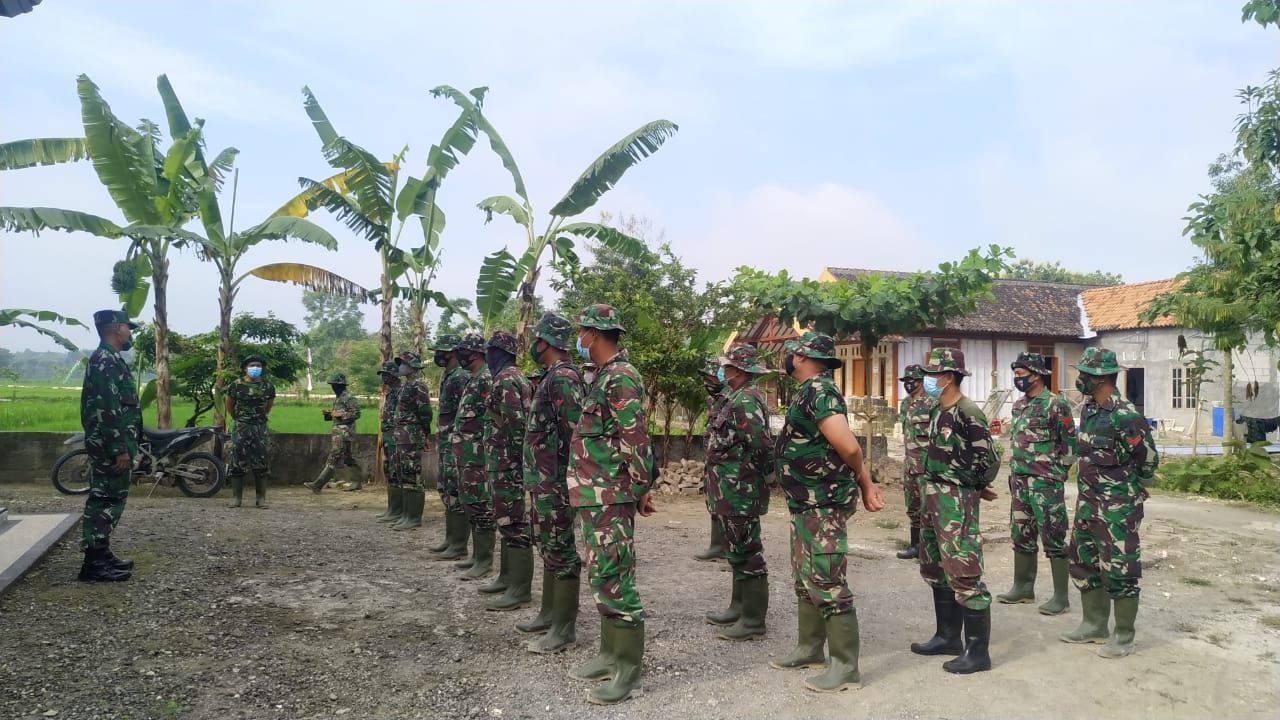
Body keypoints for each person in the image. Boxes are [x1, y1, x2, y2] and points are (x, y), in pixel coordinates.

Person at [769, 331, 884, 693]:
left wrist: (864, 482)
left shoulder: (819, 391)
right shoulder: (810, 391)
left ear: (801, 357)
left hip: (822, 504)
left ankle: (846, 667)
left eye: (790, 354)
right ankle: (809, 648)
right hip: (806, 504)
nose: (787, 360)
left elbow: (848, 446)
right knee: (806, 578)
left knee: (828, 580)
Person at [566, 304, 657, 705]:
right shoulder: (603, 376)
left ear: (595, 335)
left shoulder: (621, 376)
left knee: (616, 578)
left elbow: (634, 437)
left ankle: (627, 671)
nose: (579, 339)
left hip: (611, 496)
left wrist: (641, 488)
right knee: (601, 575)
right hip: (595, 494)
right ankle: (608, 654)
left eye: (582, 332)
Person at [1060, 347, 1158, 659]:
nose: (1080, 379)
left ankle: (1124, 634)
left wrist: (1129, 487)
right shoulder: (1090, 410)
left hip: (1117, 507)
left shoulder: (1126, 415)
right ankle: (1093, 625)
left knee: (1120, 568)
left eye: (1084, 375)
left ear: (1101, 378)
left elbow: (1148, 461)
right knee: (1083, 561)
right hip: (1088, 501)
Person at [910, 347, 999, 675]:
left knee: (963, 567)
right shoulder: (938, 410)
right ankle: (947, 637)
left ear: (948, 377)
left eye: (932, 374)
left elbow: (987, 457)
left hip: (955, 498)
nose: (927, 380)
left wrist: (976, 486)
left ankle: (978, 652)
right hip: (932, 493)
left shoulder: (968, 412)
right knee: (935, 566)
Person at [519, 312, 585, 652]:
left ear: (547, 342)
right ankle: (549, 614)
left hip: (556, 481)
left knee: (560, 550)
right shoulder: (550, 376)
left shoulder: (563, 379)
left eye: (536, 338)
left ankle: (564, 628)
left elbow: (576, 432)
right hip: (544, 479)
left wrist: (570, 481)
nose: (533, 343)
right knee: (548, 546)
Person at [704, 344, 775, 641]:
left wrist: (756, 478)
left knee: (748, 552)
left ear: (737, 370)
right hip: (729, 489)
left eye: (727, 366)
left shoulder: (746, 400)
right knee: (736, 550)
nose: (723, 370)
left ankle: (753, 621)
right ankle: (738, 606)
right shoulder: (733, 397)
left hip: (741, 489)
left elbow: (760, 444)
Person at [998, 351, 1078, 615]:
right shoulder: (1019, 405)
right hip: (1019, 481)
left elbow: (1069, 445)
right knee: (1021, 534)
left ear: (1037, 375)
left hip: (1045, 483)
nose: (1018, 379)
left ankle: (1061, 597)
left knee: (1053, 537)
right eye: (1016, 375)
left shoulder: (1056, 405)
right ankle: (1023, 588)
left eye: (1022, 375)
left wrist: (1058, 472)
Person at [78, 309, 142, 582]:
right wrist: (119, 449)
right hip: (109, 445)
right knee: (104, 500)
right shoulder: (105, 360)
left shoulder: (110, 359)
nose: (129, 332)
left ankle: (102, 554)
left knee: (111, 499)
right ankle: (93, 563)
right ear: (117, 328)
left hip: (112, 442)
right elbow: (108, 408)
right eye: (128, 327)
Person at [481, 330, 535, 609]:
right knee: (505, 520)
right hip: (502, 462)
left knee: (513, 522)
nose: (486, 356)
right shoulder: (512, 377)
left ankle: (520, 589)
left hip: (507, 464)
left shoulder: (506, 379)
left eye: (490, 351)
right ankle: (507, 577)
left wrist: (514, 464)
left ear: (500, 352)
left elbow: (514, 425)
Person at [452, 333, 496, 580]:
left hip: (478, 457)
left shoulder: (486, 379)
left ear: (477, 353)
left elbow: (491, 419)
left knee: (481, 506)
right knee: (471, 503)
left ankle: (484, 560)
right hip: (466, 456)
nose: (460, 356)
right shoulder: (474, 379)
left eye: (464, 351)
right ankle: (477, 557)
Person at [428, 334, 470, 557]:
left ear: (451, 352)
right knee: (446, 490)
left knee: (455, 490)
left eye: (440, 352)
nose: (436, 356)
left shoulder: (460, 377)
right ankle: (450, 539)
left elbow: (465, 414)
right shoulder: (448, 375)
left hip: (456, 442)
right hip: (445, 442)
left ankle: (459, 544)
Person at [389, 351, 434, 530]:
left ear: (412, 366)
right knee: (403, 474)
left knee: (412, 473)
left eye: (403, 363)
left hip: (412, 434)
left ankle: (414, 517)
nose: (400, 366)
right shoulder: (404, 386)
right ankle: (406, 514)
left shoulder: (418, 386)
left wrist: (424, 433)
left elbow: (425, 412)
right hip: (402, 434)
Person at [224, 354, 276, 509]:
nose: (256, 368)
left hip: (259, 427)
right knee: (237, 460)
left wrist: (258, 419)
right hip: (241, 426)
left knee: (261, 461)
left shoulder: (268, 386)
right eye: (252, 365)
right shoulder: (236, 385)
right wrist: (240, 419)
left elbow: (268, 405)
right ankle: (236, 498)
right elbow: (230, 405)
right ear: (245, 368)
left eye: (259, 366)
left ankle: (261, 498)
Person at [895, 364, 931, 559]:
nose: (909, 385)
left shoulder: (932, 403)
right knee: (913, 506)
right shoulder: (905, 404)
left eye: (913, 382)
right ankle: (915, 546)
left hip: (926, 465)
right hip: (910, 463)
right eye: (906, 382)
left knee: (928, 508)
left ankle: (929, 549)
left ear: (922, 381)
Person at [694, 358, 728, 563]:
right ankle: (717, 546)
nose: (707, 381)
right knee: (714, 501)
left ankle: (733, 552)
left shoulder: (731, 399)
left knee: (729, 506)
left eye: (711, 376)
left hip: (729, 462)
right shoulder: (714, 400)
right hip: (714, 459)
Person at [304, 373, 362, 492]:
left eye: (336, 385)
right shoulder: (338, 398)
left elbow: (356, 413)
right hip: (338, 432)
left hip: (345, 433)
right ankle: (357, 482)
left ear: (342, 386)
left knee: (334, 456)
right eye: (333, 385)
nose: (334, 387)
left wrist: (340, 414)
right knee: (348, 458)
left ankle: (318, 484)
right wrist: (330, 414)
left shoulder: (349, 397)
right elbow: (337, 415)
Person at [374, 360, 403, 523]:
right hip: (388, 438)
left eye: (387, 374)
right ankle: (392, 508)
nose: (384, 378)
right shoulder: (391, 393)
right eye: (383, 374)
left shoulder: (400, 392)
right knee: (390, 472)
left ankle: (399, 510)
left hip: (396, 439)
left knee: (397, 473)